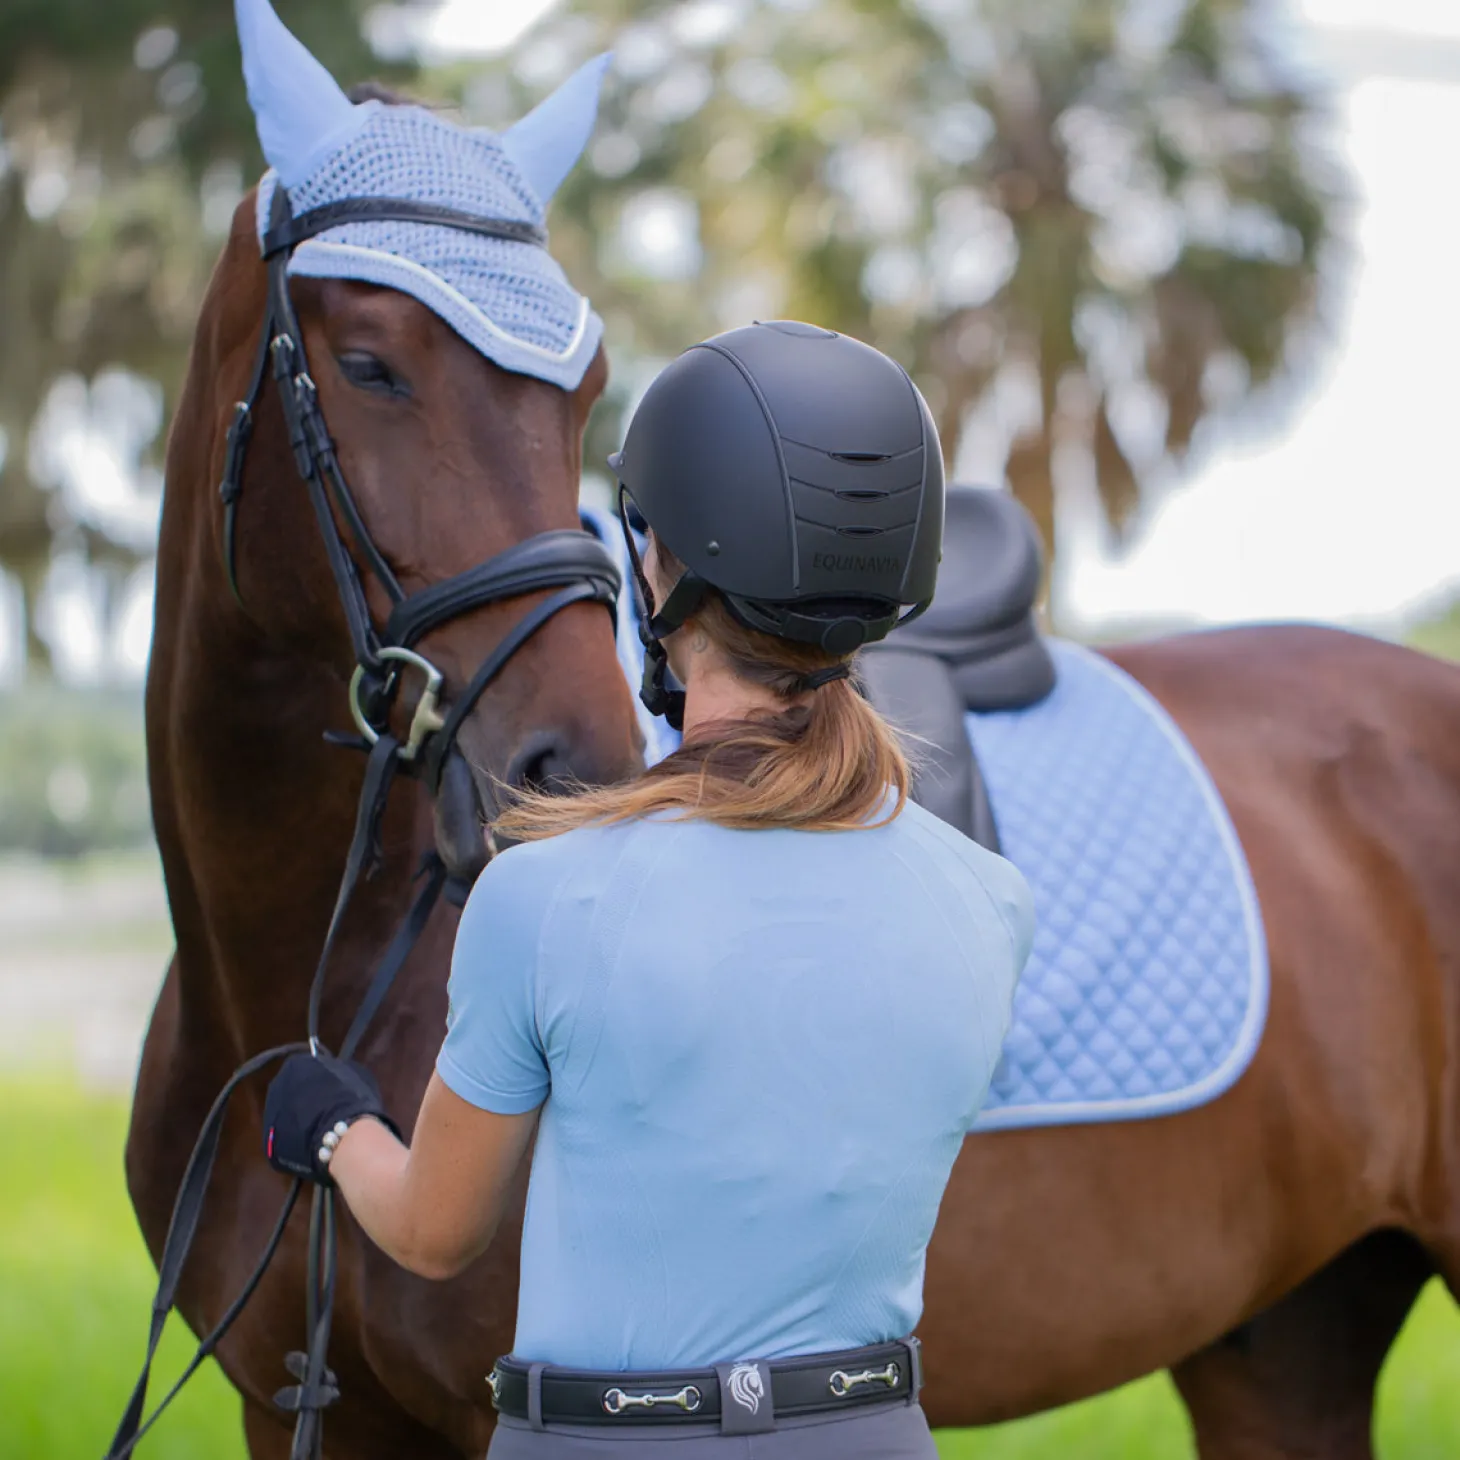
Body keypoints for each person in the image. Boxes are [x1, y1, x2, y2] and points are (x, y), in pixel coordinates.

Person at [264, 320, 1036, 1458]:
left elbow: (435, 1227)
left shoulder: (542, 895)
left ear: (658, 566)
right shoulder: (992, 899)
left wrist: (328, 1123)